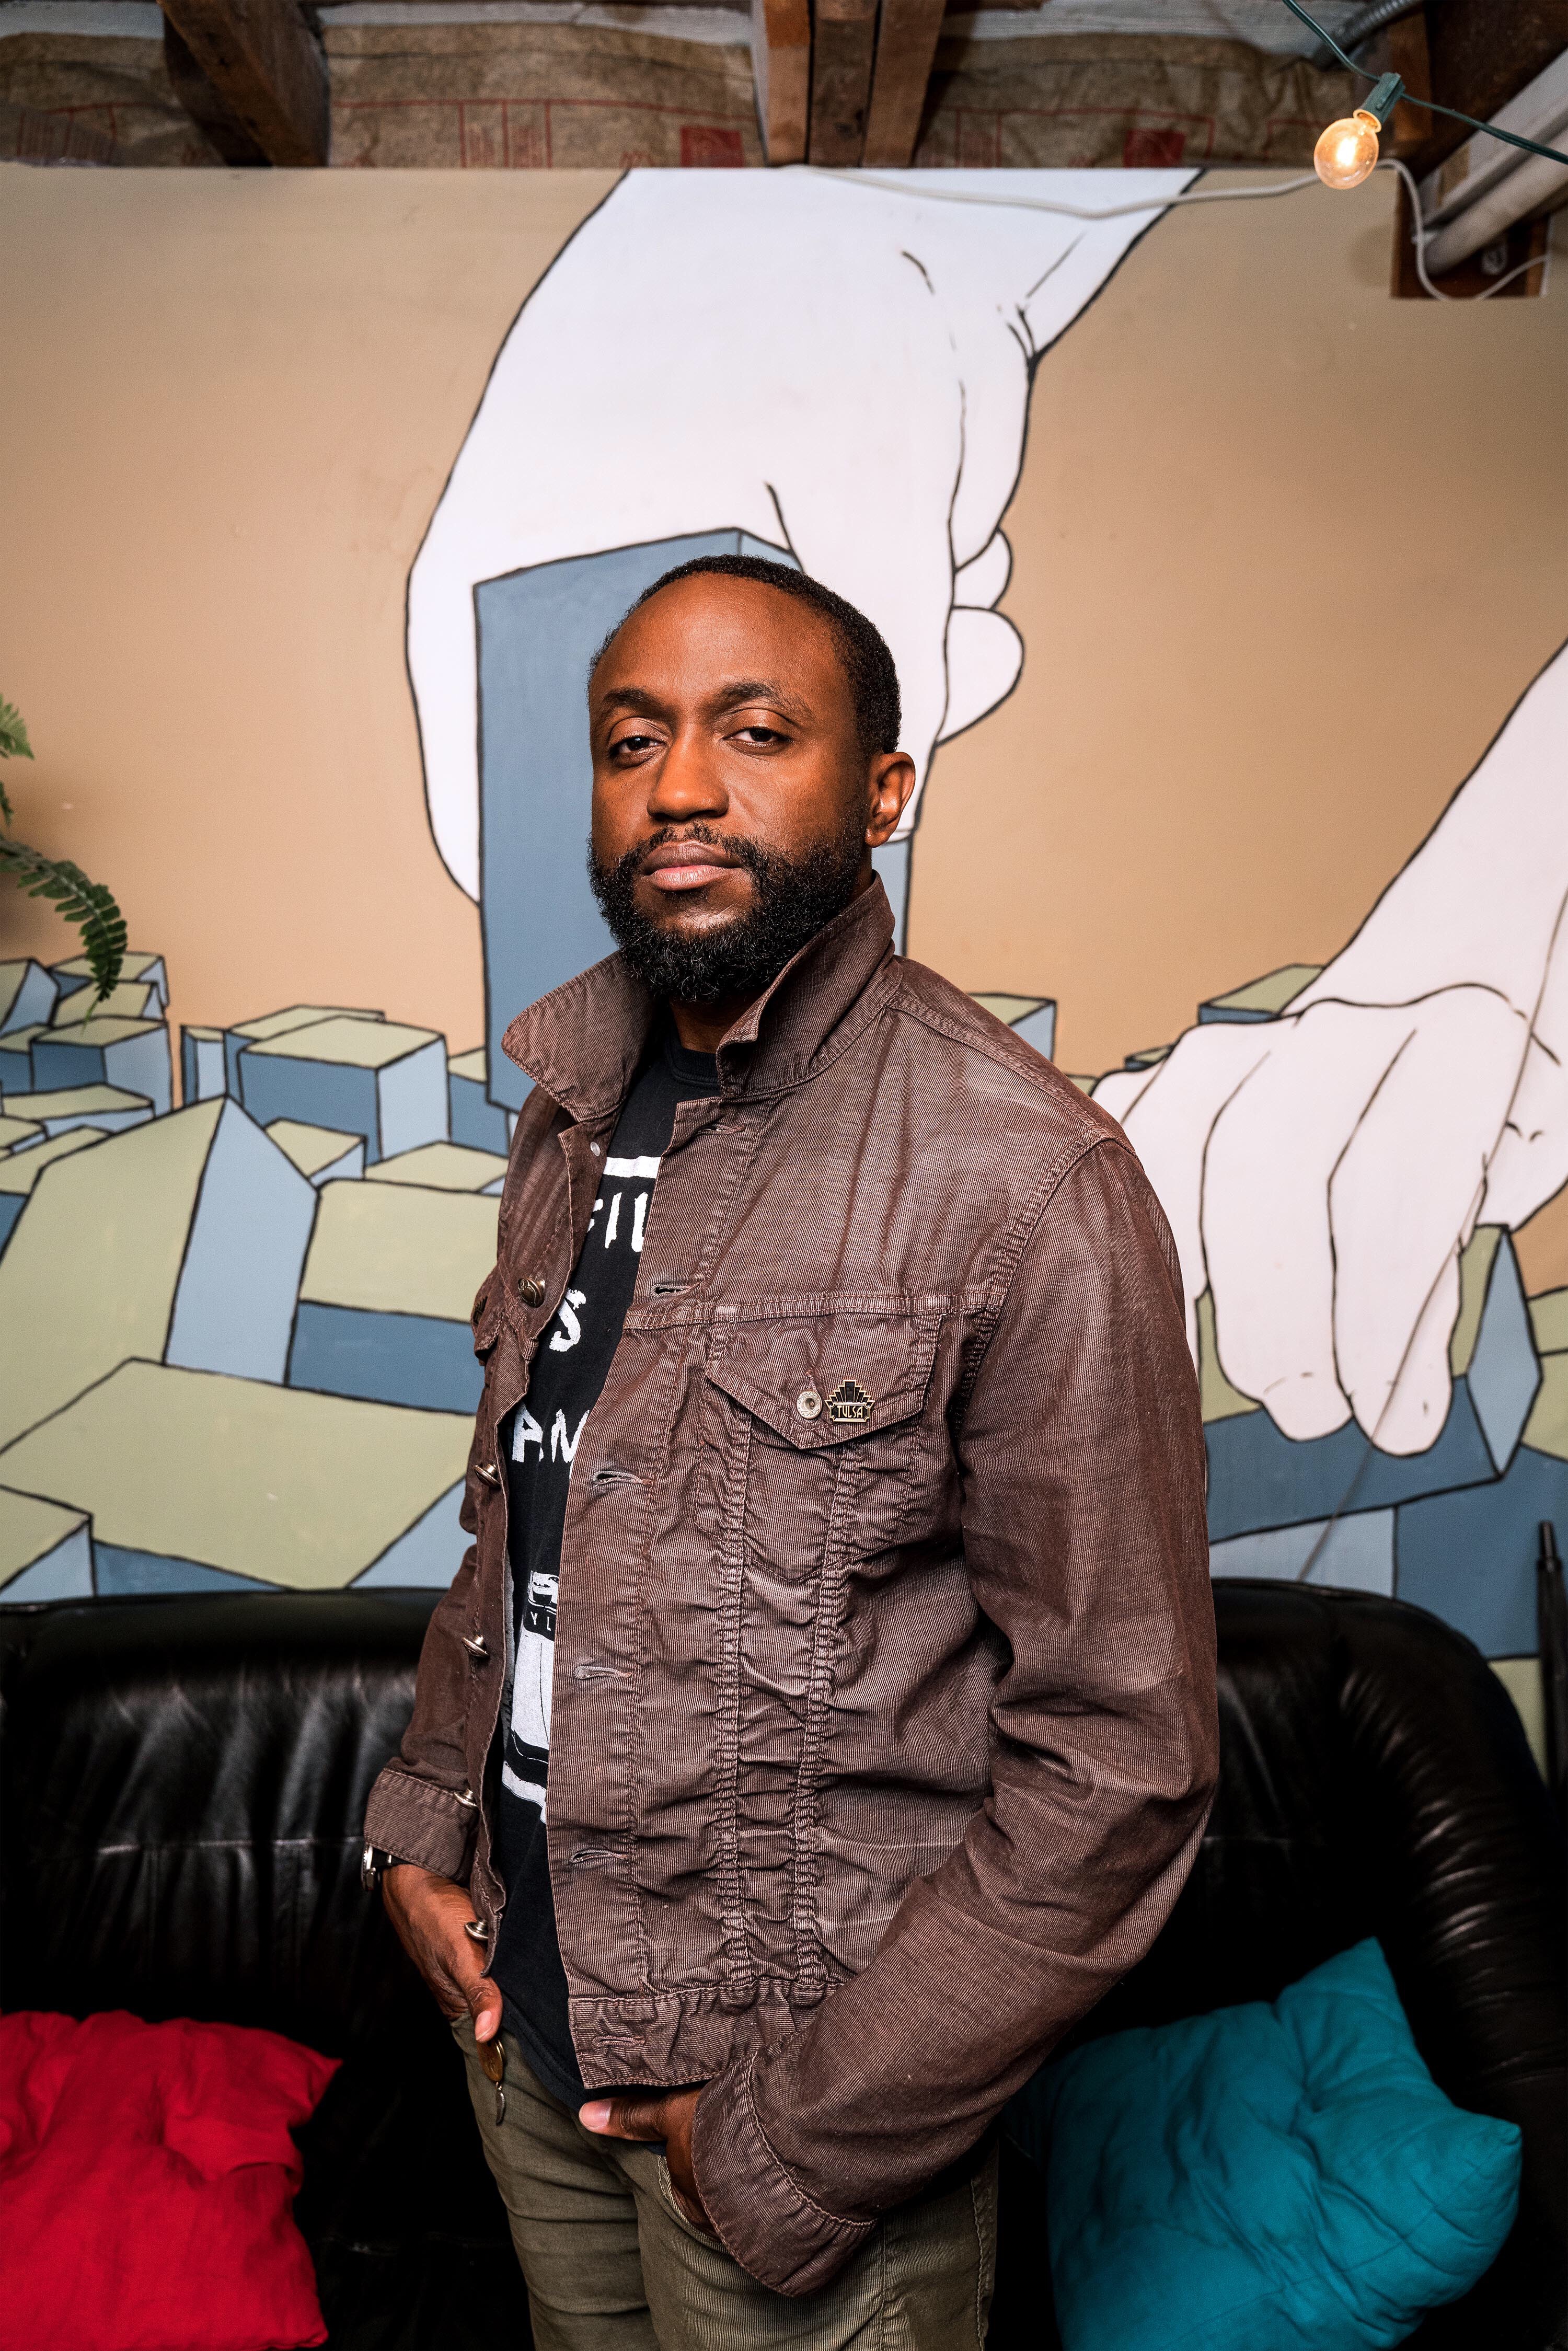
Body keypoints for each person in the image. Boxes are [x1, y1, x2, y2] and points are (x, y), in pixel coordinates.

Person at [364, 555, 1218, 2348]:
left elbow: (1124, 1763)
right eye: (633, 740)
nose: (680, 785)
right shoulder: (570, 1108)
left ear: (883, 789)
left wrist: (802, 2135)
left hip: (785, 2106)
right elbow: (525, 1524)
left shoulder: (1027, 1175)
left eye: (755, 733)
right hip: (525, 2031)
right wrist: (419, 1841)